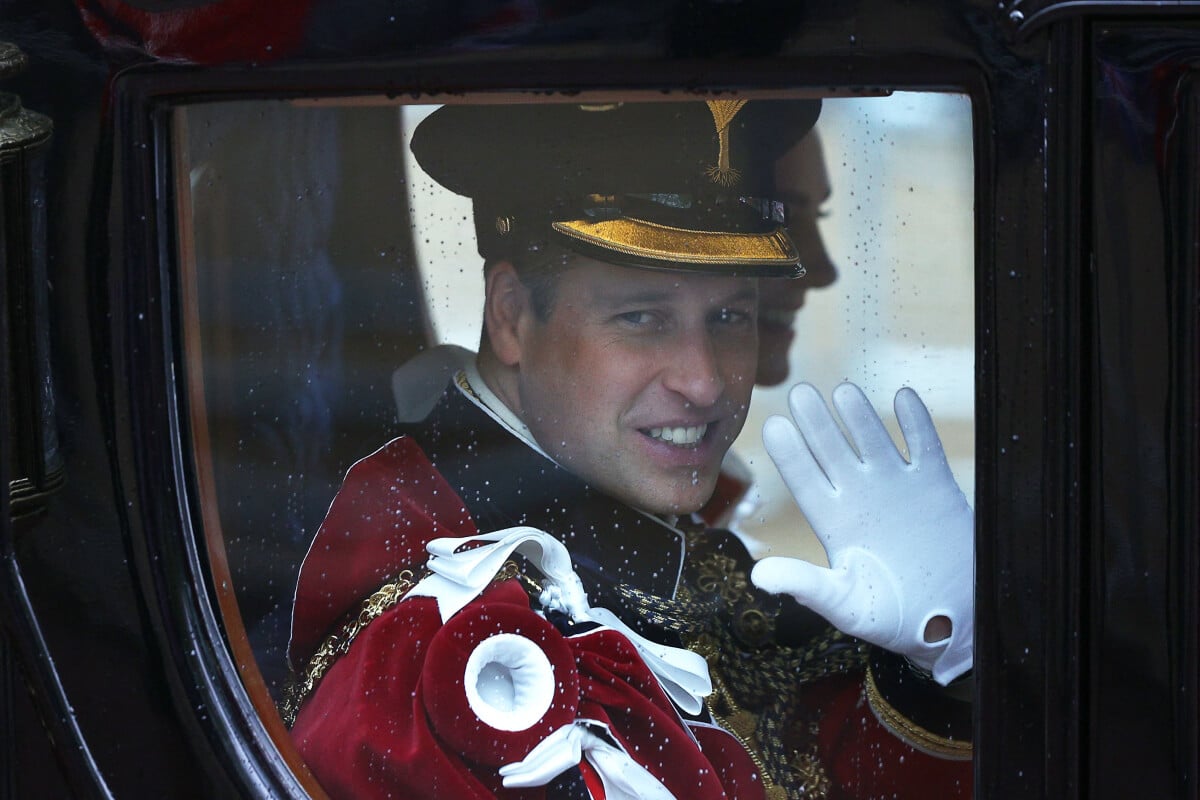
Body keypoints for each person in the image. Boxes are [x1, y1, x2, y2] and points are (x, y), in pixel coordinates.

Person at [284, 99, 974, 799]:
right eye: (642, 318)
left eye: (730, 316)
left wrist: (930, 677)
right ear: (511, 315)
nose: (704, 382)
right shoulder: (453, 665)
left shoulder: (633, 542)